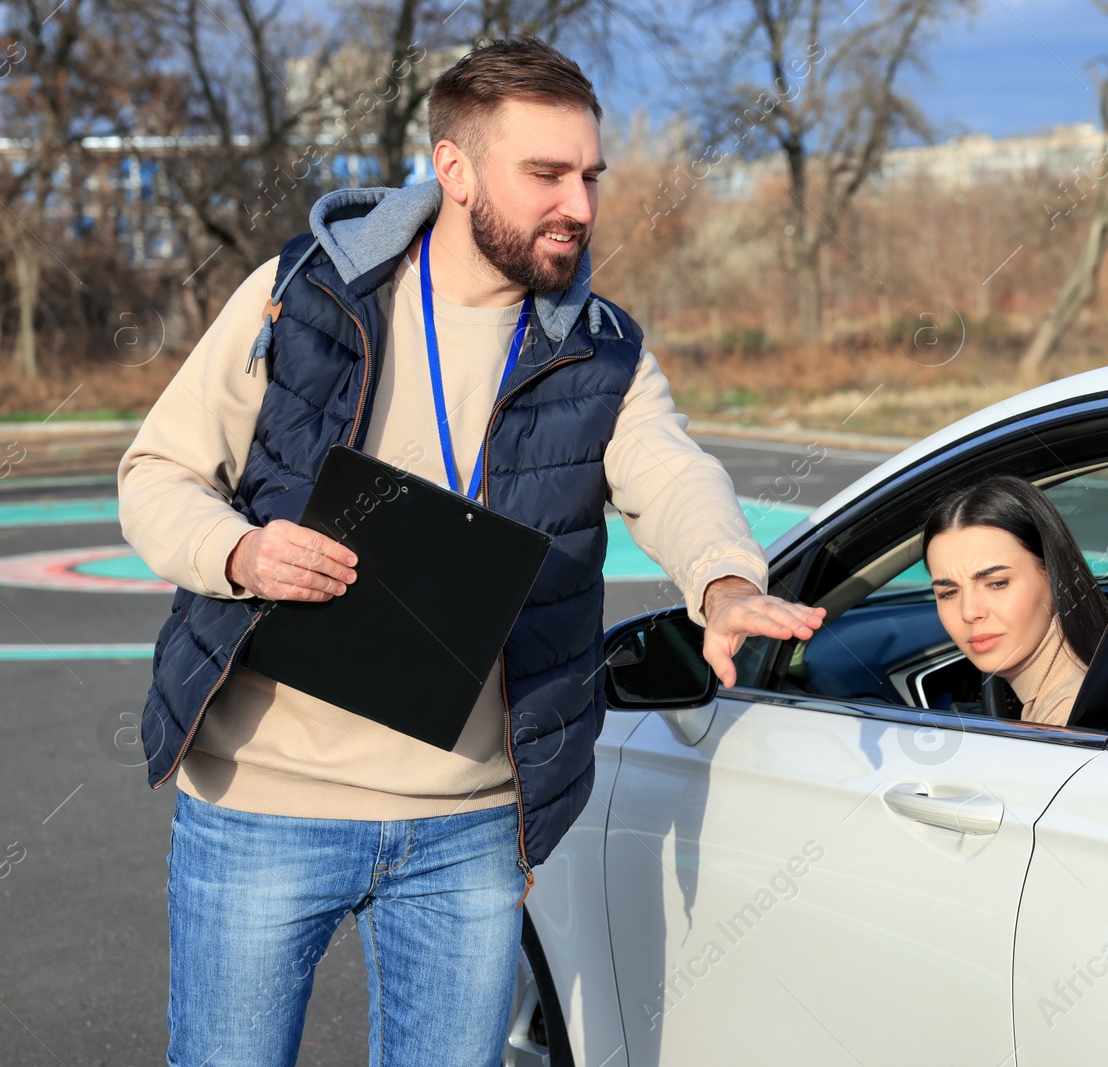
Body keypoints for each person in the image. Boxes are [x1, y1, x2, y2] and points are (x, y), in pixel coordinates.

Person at [117, 36, 825, 1067]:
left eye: (589, 176)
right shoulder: (303, 292)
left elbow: (671, 474)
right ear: (453, 172)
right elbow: (155, 474)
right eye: (545, 175)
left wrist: (721, 577)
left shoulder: (601, 343)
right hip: (261, 806)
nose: (578, 205)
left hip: (471, 831)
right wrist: (239, 553)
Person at [921, 474, 1108, 725]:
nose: (968, 612)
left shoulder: (1069, 718)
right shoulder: (1090, 683)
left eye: (997, 584)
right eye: (948, 593)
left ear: (1054, 576)